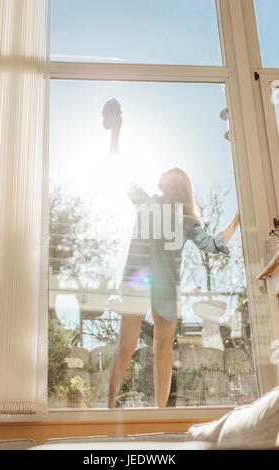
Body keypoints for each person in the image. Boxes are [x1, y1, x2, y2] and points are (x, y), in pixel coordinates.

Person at [103, 100, 240, 408]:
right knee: (126, 345)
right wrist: (116, 132)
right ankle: (109, 406)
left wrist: (236, 221)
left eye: (167, 172)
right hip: (137, 279)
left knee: (164, 350)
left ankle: (160, 413)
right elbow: (117, 170)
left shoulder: (188, 220)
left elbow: (212, 244)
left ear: (177, 183)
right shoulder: (145, 200)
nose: (161, 174)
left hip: (167, 288)